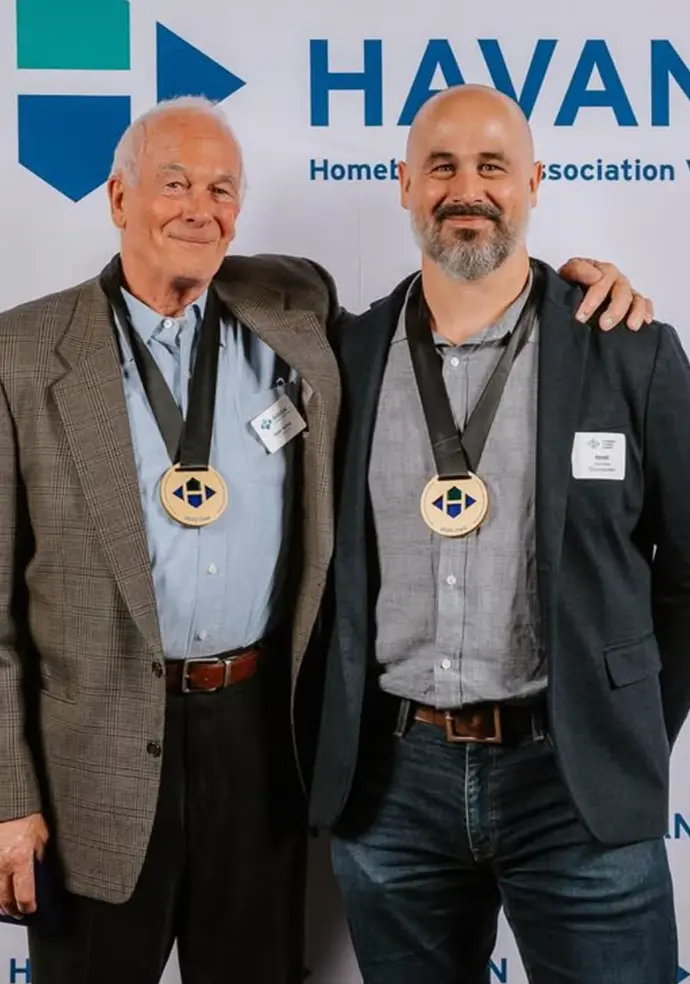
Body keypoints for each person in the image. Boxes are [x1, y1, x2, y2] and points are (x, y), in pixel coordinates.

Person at [0, 94, 652, 984]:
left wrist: (582, 281)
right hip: (97, 761)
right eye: (174, 184)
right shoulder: (25, 353)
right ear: (118, 198)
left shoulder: (293, 311)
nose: (200, 209)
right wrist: (9, 797)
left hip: (264, 740)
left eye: (222, 189)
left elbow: (477, 288)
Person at [310, 84, 690, 984]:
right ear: (405, 184)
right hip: (392, 789)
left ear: (534, 183)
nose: (467, 188)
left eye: (493, 166)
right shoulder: (341, 357)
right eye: (441, 166)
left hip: (576, 783)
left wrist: (625, 720)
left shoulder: (629, 348)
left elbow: (686, 573)